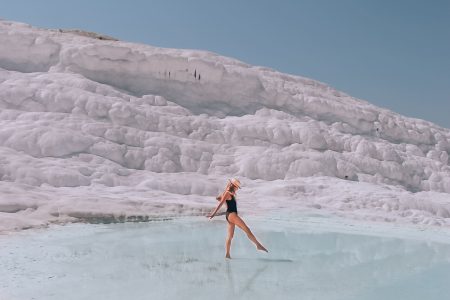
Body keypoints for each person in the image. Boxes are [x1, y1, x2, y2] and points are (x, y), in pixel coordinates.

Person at [208, 178, 268, 259]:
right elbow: (221, 203)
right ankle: (258, 245)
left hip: (230, 215)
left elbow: (223, 195)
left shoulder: (229, 192)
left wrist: (226, 189)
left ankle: (227, 254)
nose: (237, 189)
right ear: (233, 186)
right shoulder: (227, 193)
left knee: (230, 236)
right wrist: (213, 214)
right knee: (247, 229)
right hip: (232, 215)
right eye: (236, 187)